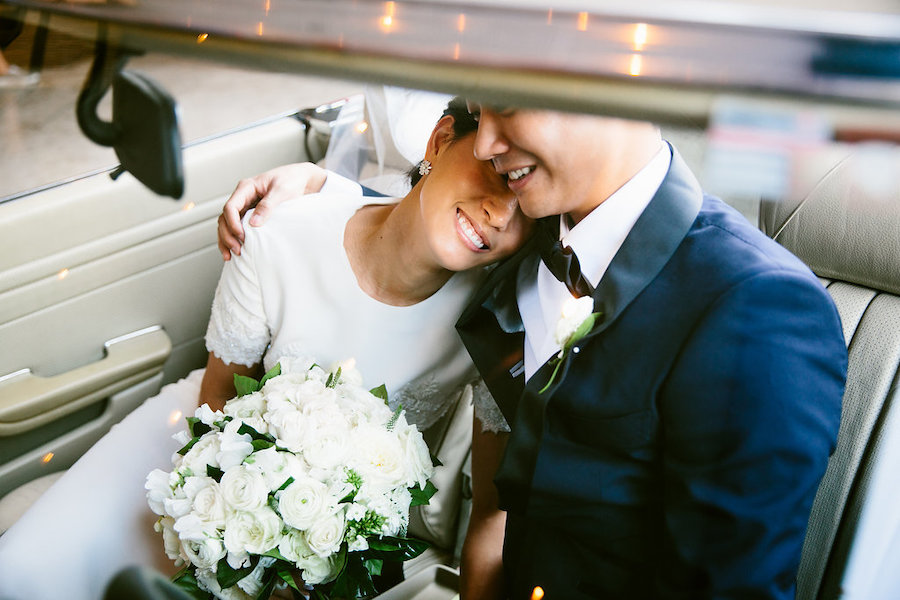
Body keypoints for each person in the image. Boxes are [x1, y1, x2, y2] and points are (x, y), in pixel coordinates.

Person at [218, 103, 847, 599]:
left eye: (511, 106)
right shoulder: (533, 237)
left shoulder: (755, 309)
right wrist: (319, 186)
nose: (490, 145)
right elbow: (416, 217)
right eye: (483, 114)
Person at [0, 97, 530, 600]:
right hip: (201, 451)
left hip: (332, 539)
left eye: (525, 206)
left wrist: (296, 556)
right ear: (439, 141)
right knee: (29, 569)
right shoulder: (281, 233)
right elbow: (215, 408)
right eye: (494, 173)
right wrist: (226, 536)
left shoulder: (498, 320)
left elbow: (491, 510)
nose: (501, 215)